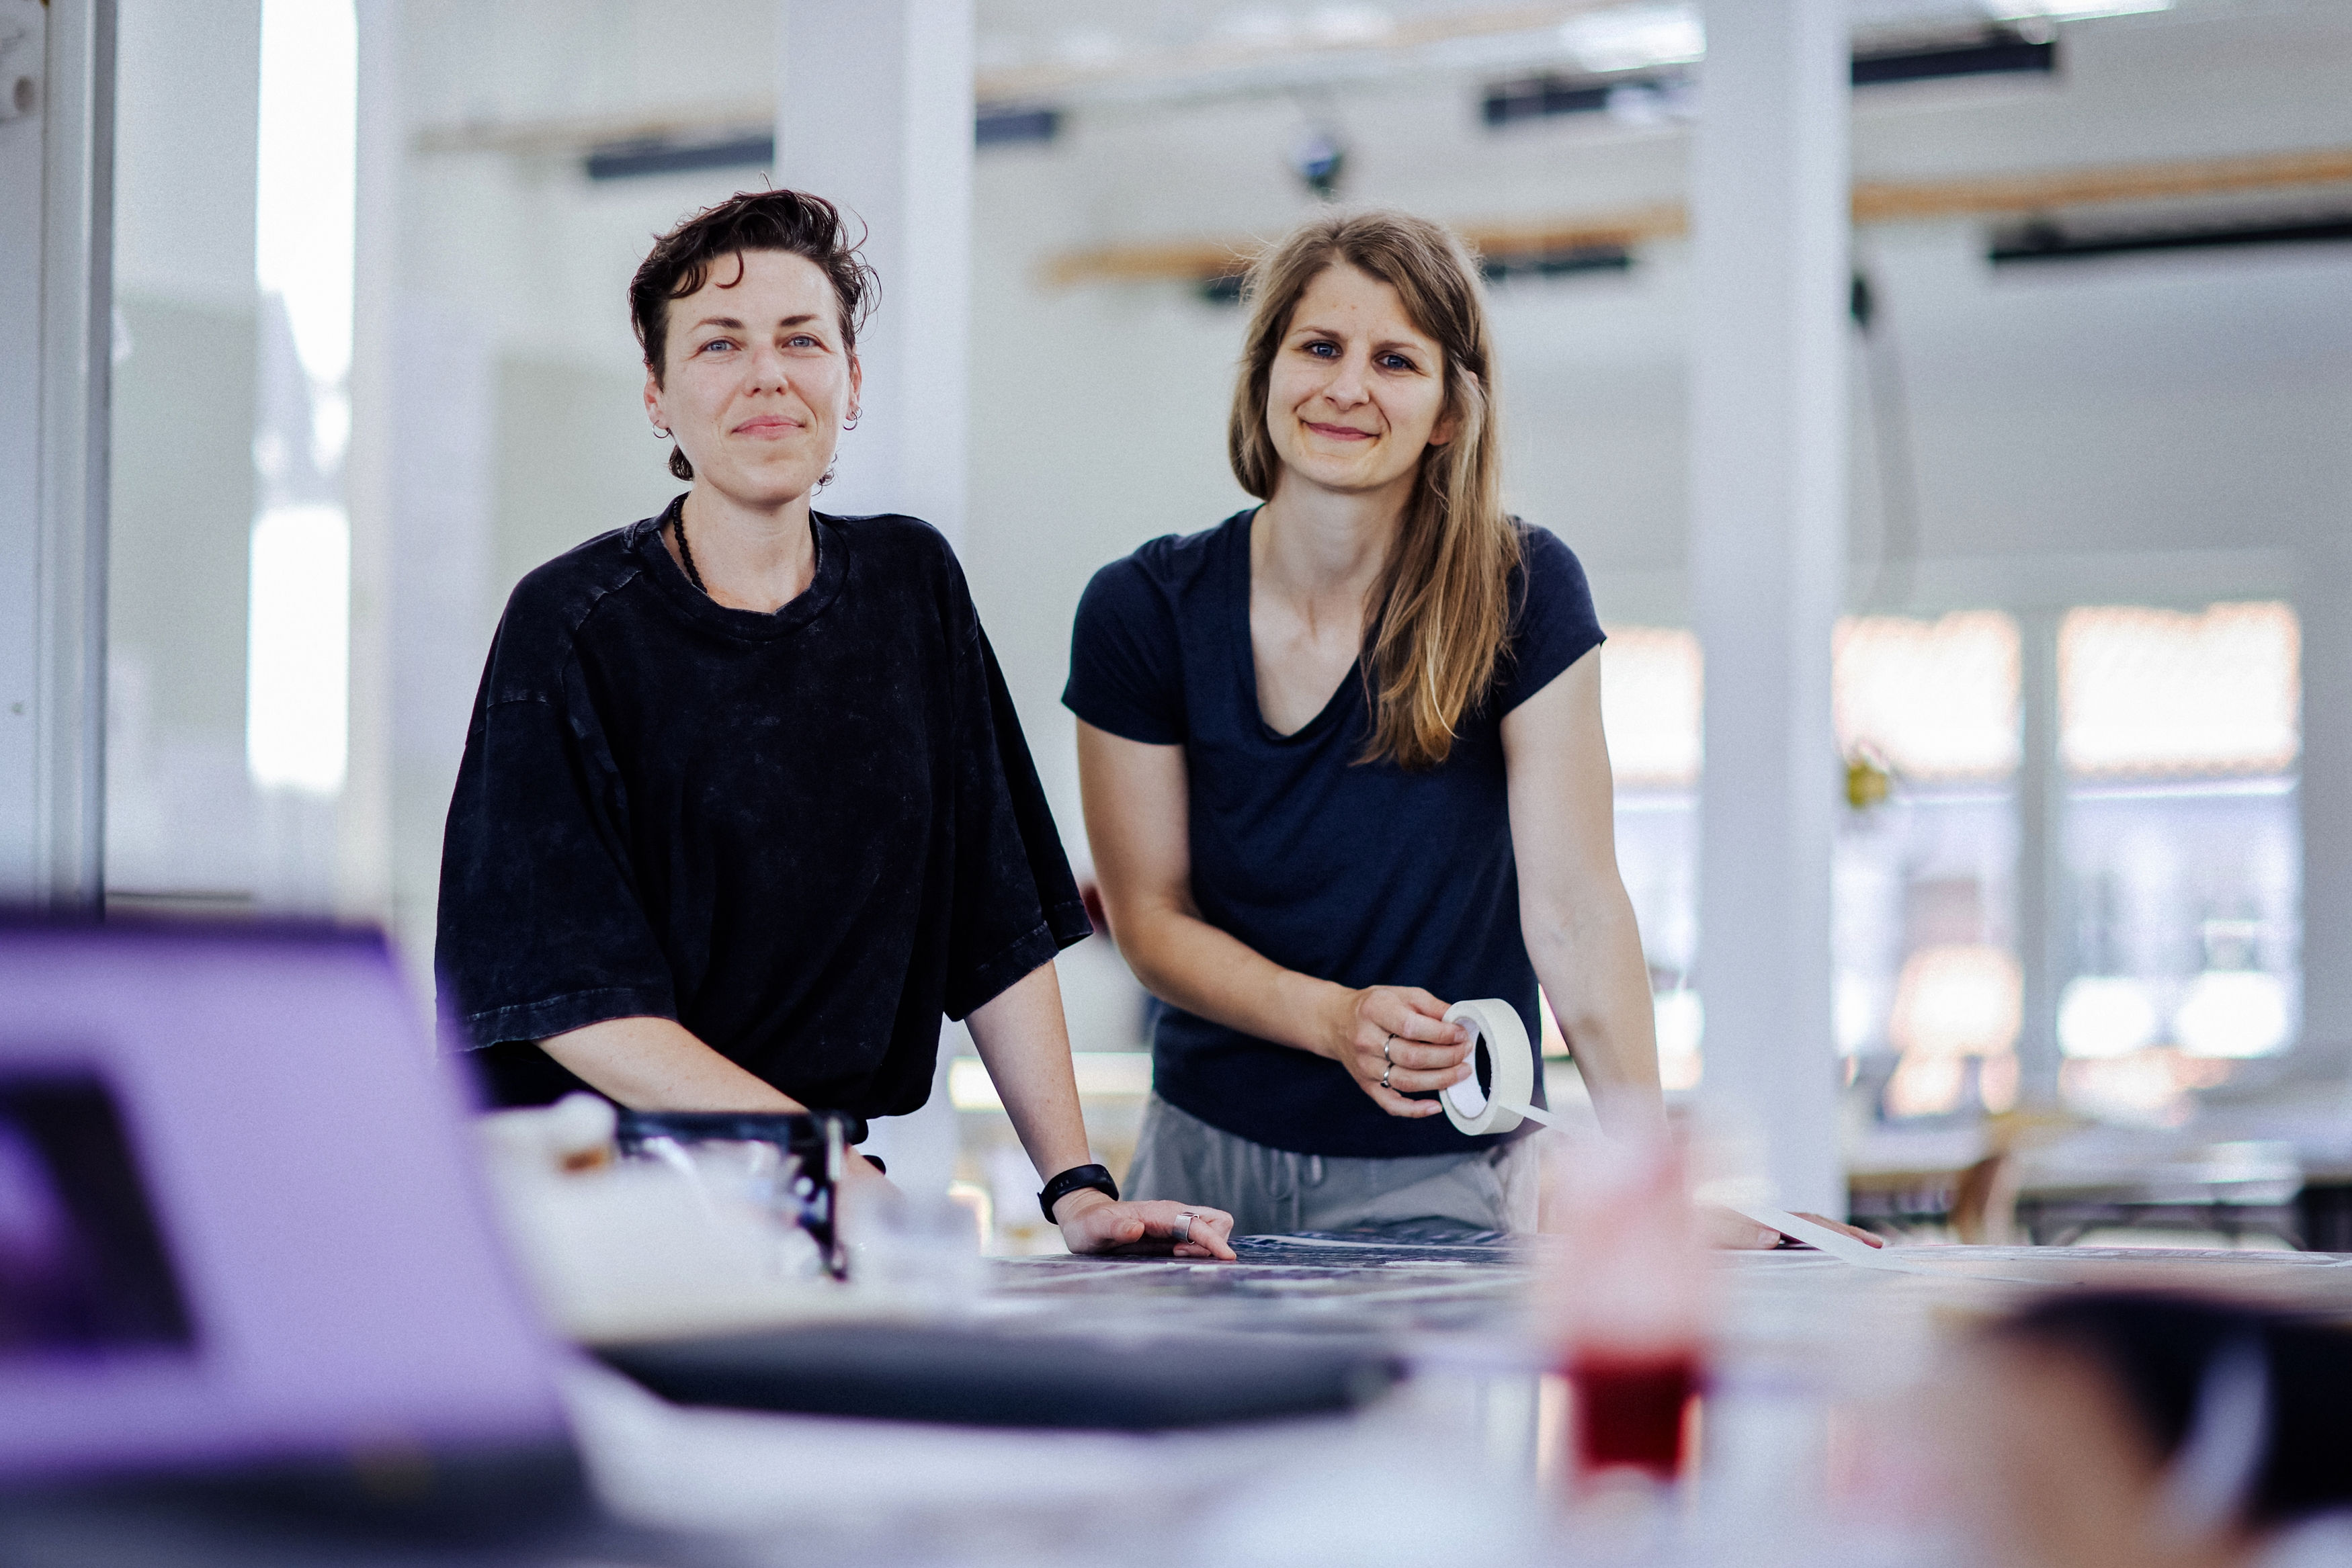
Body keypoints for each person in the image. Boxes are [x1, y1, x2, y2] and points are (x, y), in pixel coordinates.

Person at [435, 189, 1232, 1261]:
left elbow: (995, 929)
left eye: (801, 339)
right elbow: (567, 996)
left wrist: (1078, 1188)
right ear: (658, 396)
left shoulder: (913, 589)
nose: (767, 373)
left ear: (850, 383)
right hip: (601, 1210)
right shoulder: (571, 625)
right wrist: (801, 1153)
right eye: (719, 343)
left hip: (814, 1193)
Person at [1066, 208, 1865, 1246]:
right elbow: (1150, 921)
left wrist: (1644, 1186)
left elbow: (1575, 910)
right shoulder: (1141, 608)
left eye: (1396, 360)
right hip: (1196, 1163)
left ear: (1449, 410)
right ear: (1265, 374)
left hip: (1436, 1179)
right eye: (1319, 347)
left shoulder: (1523, 591)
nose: (1348, 387)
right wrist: (1334, 1020)